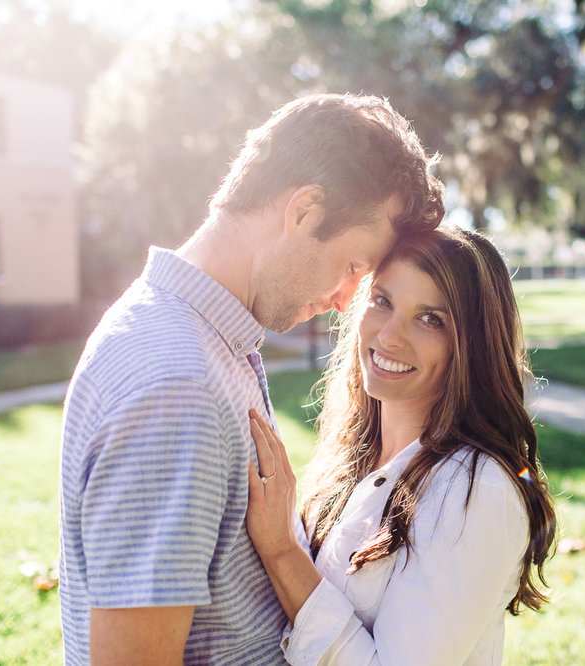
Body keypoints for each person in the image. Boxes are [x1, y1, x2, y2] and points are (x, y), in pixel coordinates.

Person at [58, 93, 444, 665]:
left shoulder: (204, 340)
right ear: (305, 211)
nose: (346, 301)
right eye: (354, 267)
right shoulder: (178, 386)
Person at [246, 225, 557, 664]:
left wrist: (281, 551)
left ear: (471, 347)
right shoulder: (354, 453)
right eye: (382, 301)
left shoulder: (475, 490)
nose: (390, 336)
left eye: (431, 319)